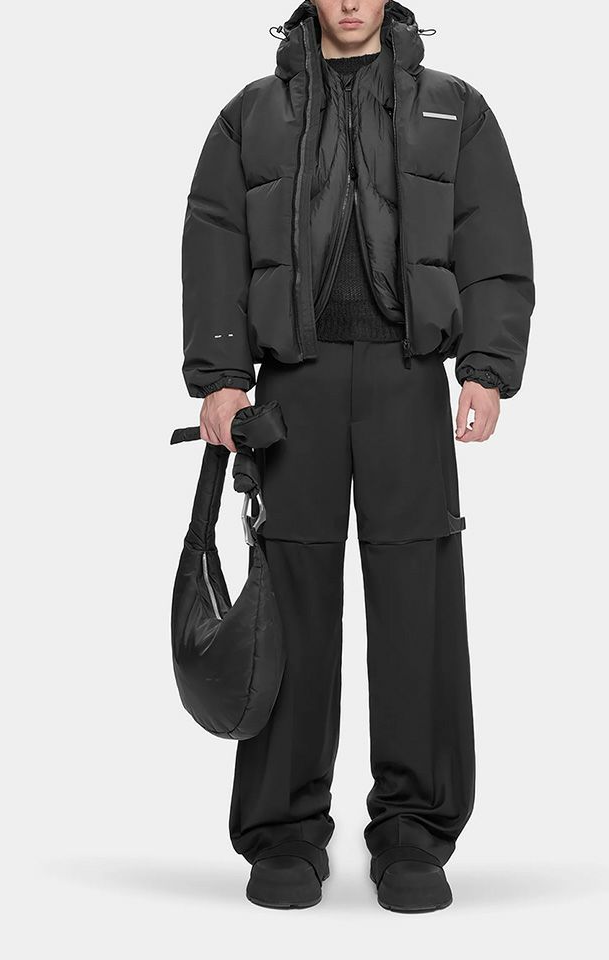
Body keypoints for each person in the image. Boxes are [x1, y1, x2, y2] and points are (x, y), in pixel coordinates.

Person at [181, 0, 534, 912]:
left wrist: (486, 365)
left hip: (408, 378)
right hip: (291, 385)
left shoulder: (455, 106)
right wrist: (221, 374)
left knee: (418, 594)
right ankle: (284, 832)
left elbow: (492, 236)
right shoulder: (251, 113)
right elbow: (214, 239)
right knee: (288, 601)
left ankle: (414, 830)